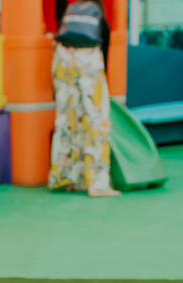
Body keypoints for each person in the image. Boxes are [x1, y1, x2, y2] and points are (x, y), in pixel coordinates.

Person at [47, 0, 120, 197]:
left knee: (66, 120)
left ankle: (64, 178)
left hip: (62, 60)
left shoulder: (70, 13)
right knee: (97, 121)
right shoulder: (99, 18)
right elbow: (104, 51)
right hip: (88, 63)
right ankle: (98, 184)